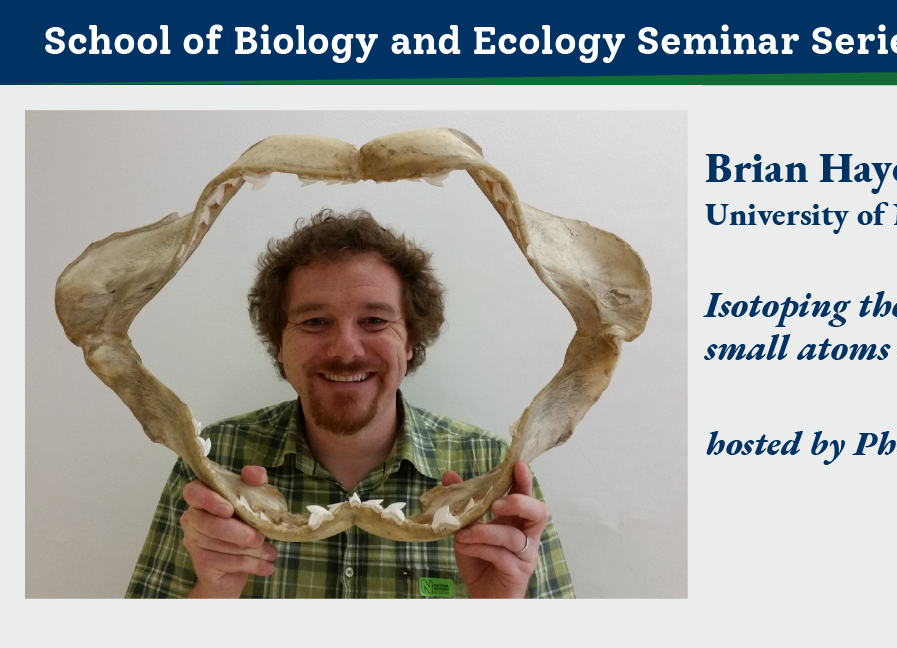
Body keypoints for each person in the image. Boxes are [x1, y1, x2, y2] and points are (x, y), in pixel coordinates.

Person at [126, 209, 575, 598]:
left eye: (374, 320)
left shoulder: (495, 472)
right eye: (315, 321)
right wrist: (212, 593)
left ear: (412, 341)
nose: (346, 349)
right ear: (278, 344)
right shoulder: (209, 465)